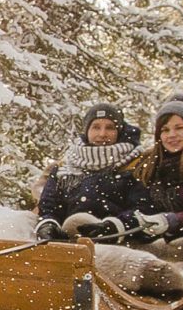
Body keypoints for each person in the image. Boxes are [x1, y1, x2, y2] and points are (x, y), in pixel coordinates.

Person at [70, 90, 183, 244]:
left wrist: (170, 221)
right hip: (159, 238)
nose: (172, 135)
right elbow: (141, 206)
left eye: (179, 128)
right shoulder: (152, 163)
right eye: (165, 130)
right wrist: (117, 225)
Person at [32, 102, 142, 240]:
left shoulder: (133, 165)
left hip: (113, 239)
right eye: (96, 127)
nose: (102, 134)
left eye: (109, 128)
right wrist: (48, 225)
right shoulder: (65, 167)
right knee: (19, 222)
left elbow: (141, 208)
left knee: (78, 221)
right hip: (64, 238)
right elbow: (49, 206)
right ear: (87, 131)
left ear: (119, 132)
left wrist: (113, 226)